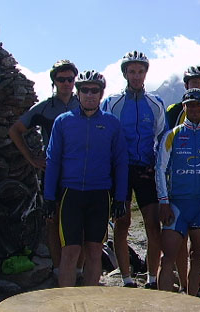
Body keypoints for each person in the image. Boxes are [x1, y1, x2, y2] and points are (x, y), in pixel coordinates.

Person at [44, 70, 129, 287]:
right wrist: (48, 196)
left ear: (101, 94)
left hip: (99, 194)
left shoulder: (112, 124)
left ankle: (89, 308)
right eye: (85, 90)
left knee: (94, 251)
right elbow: (53, 160)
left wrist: (120, 198)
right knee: (70, 251)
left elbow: (120, 162)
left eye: (95, 91)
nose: (89, 95)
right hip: (70, 194)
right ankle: (66, 306)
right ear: (78, 92)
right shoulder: (63, 122)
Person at [101, 51, 167, 289]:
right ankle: (127, 278)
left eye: (140, 71)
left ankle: (151, 278)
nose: (136, 76)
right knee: (122, 222)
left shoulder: (155, 103)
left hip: (146, 169)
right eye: (132, 71)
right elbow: (105, 135)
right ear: (125, 73)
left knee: (152, 223)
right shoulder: (112, 102)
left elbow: (162, 137)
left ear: (145, 73)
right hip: (120, 170)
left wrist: (157, 166)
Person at [8, 60, 79, 277]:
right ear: (54, 82)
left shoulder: (83, 103)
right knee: (53, 220)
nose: (66, 83)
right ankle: (58, 268)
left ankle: (78, 268)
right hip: (53, 172)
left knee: (78, 221)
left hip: (78, 171)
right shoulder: (45, 108)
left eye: (70, 79)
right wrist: (31, 158)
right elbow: (15, 130)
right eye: (61, 79)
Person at [156, 88, 200, 296]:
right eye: (190, 104)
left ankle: (193, 302)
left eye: (199, 104)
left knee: (197, 256)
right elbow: (160, 169)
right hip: (176, 204)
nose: (195, 108)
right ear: (183, 107)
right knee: (167, 257)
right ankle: (164, 306)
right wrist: (163, 202)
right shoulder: (172, 135)